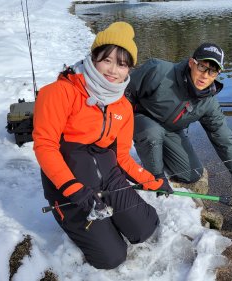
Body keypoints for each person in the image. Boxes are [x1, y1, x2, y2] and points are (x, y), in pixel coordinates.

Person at [32, 22, 173, 270]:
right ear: (94, 57)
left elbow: (121, 157)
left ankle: (114, 218)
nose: (113, 70)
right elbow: (45, 146)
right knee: (112, 258)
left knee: (146, 227)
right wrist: (73, 189)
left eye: (122, 64)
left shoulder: (123, 106)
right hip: (72, 190)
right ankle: (74, 221)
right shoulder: (57, 93)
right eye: (107, 60)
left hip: (109, 180)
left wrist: (153, 180)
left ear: (129, 69)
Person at [126, 43, 232, 188]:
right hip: (140, 118)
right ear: (192, 63)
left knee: (191, 174)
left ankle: (156, 152)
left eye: (212, 71)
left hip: (171, 129)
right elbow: (124, 94)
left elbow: (225, 141)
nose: (205, 76)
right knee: (151, 133)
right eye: (202, 67)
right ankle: (154, 177)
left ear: (217, 74)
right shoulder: (158, 70)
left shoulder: (209, 104)